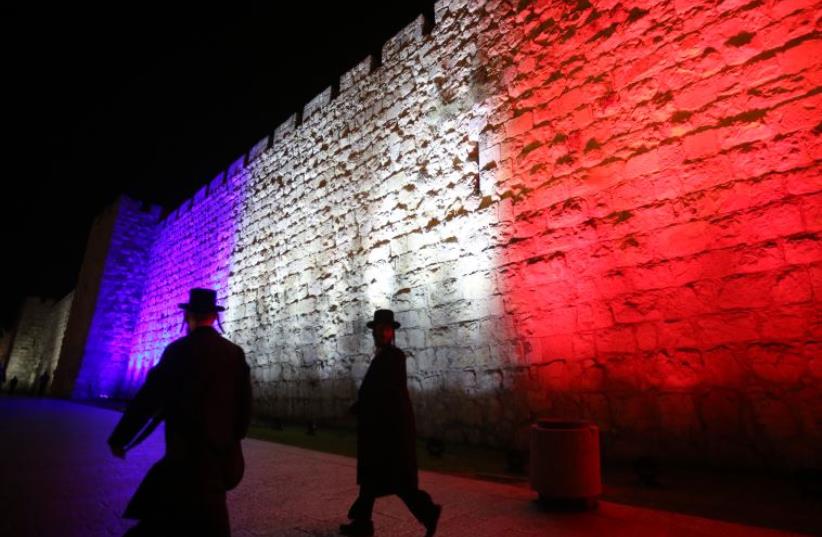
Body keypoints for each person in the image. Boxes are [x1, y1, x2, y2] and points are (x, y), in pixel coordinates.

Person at [108, 288, 252, 537]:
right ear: (214, 317)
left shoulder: (178, 351)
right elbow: (244, 408)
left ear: (188, 317)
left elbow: (148, 399)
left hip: (182, 456)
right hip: (217, 460)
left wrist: (121, 438)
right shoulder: (234, 353)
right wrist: (232, 439)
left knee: (162, 521)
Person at [341, 309, 441, 537]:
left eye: (385, 329)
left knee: (398, 482)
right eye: (378, 329)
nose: (381, 333)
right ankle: (361, 524)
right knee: (371, 478)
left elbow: (387, 393)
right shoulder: (383, 356)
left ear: (391, 332)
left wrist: (364, 406)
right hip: (377, 429)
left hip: (388, 432)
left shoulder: (394, 357)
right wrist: (359, 407)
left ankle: (429, 513)